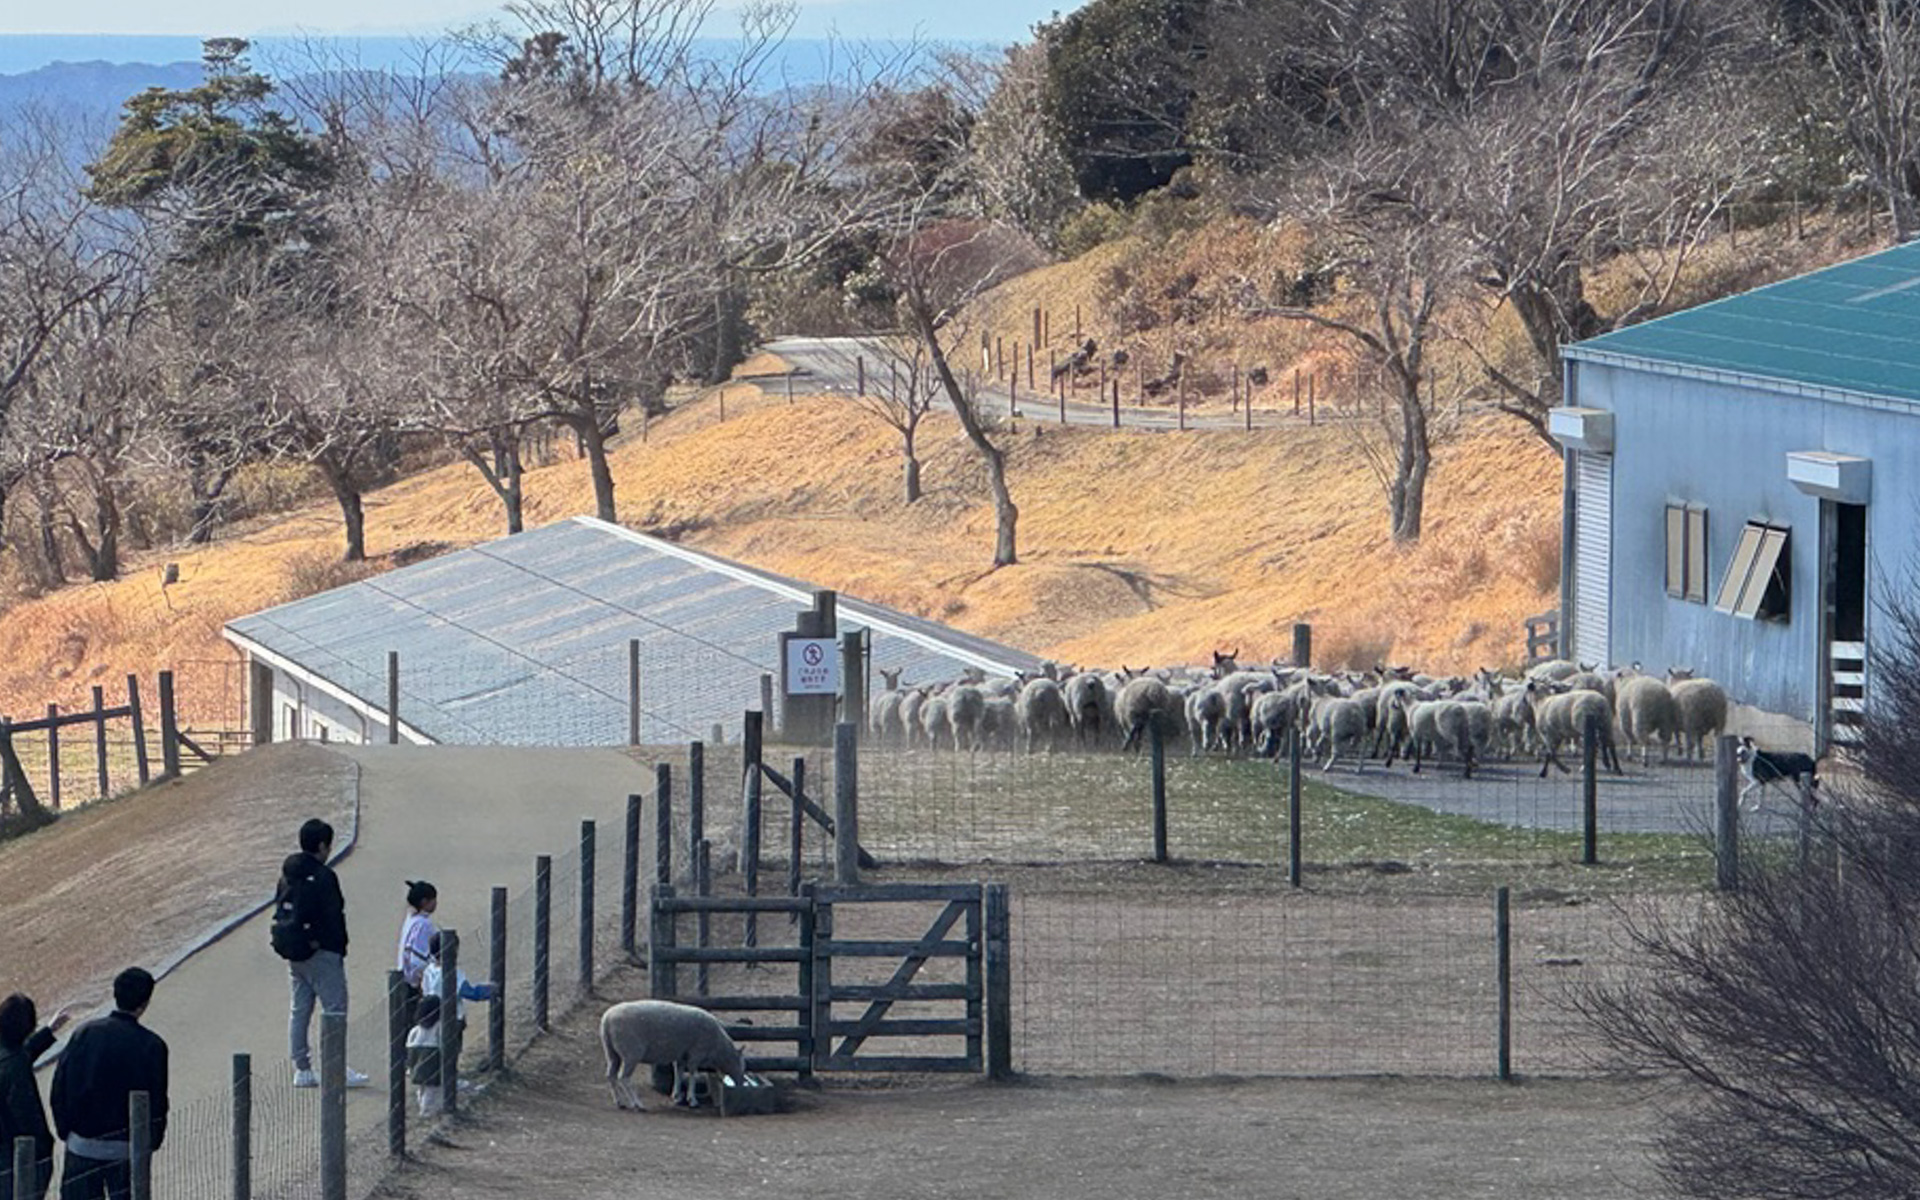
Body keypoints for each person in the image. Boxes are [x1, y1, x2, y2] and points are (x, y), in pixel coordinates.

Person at [49, 969, 167, 1200]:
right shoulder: (152, 1045)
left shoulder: (83, 1034)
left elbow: (59, 1086)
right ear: (144, 1003)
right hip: (127, 1149)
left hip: (81, 1145)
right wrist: (150, 1142)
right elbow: (158, 1101)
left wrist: (66, 1131)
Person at [274, 818, 368, 1088]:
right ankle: (335, 1066)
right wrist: (339, 946)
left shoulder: (288, 873)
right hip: (323, 952)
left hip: (295, 951)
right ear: (323, 845)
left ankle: (301, 1068)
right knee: (334, 1009)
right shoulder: (324, 877)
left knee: (300, 1009)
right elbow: (333, 913)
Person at [0, 995, 75, 1200]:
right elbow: (27, 1118)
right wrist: (44, 1149)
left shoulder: (9, 1056)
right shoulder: (15, 1068)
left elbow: (20, 1055)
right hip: (13, 1159)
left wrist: (49, 1031)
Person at [419, 932, 495, 1102]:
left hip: (432, 1016)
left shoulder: (428, 971)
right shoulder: (453, 973)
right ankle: (451, 1080)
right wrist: (491, 990)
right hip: (452, 1018)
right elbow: (470, 993)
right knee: (452, 1051)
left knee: (437, 1050)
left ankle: (441, 1080)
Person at [395, 880, 438, 1028]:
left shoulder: (411, 920)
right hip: (414, 983)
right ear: (425, 901)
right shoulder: (423, 925)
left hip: (404, 978)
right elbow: (417, 956)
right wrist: (422, 979)